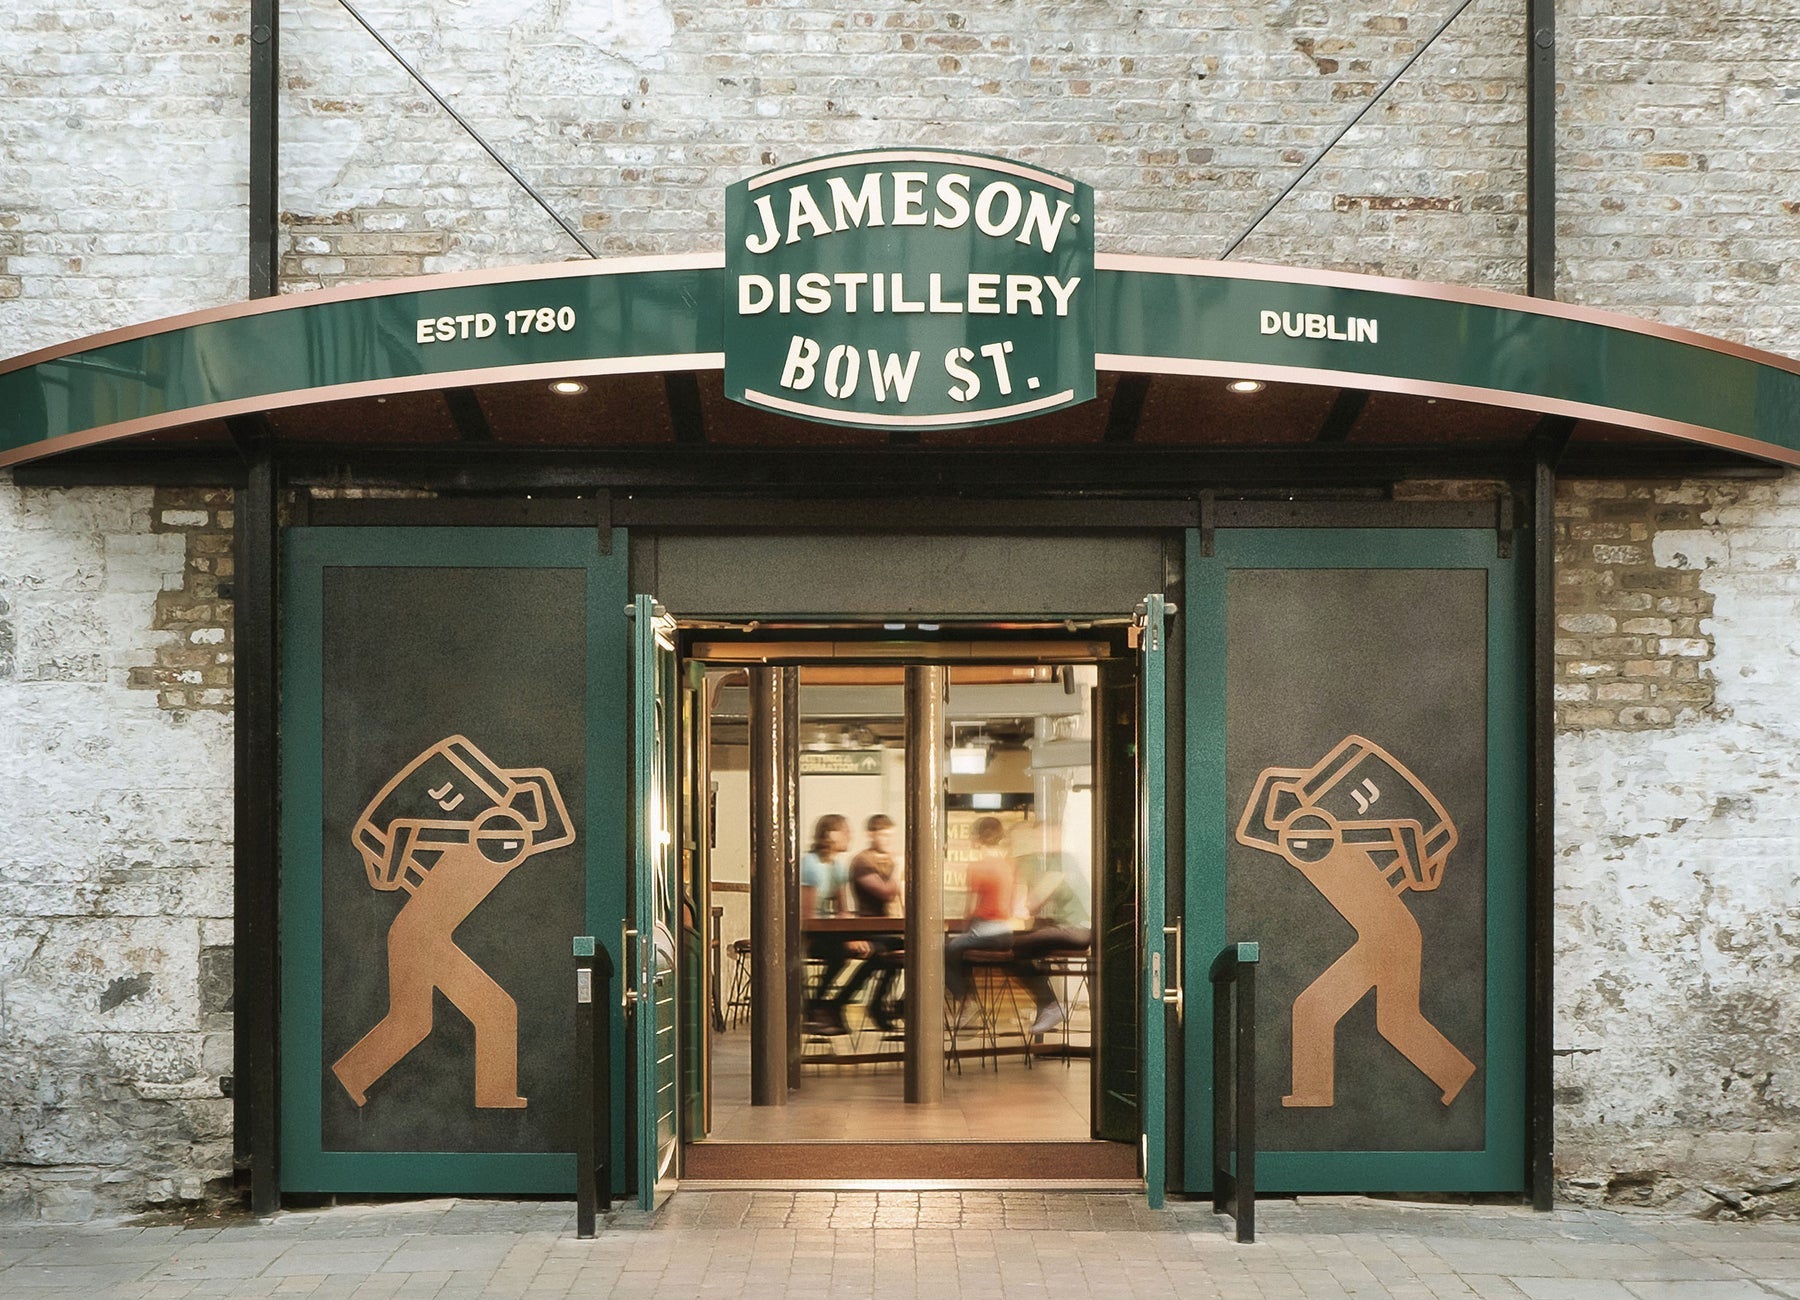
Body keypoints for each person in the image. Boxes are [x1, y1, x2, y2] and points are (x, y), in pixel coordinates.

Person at [1009, 840, 1093, 1038]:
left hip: (1077, 930)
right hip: (1079, 929)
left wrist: (1022, 888)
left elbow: (1030, 905)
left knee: (1016, 949)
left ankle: (1050, 1003)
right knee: (1030, 951)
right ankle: (1047, 1005)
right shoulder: (1063, 864)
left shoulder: (1057, 867)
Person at [945, 815, 1017, 1028]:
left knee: (944, 951)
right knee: (960, 951)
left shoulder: (977, 867)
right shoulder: (1008, 866)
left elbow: (971, 909)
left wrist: (964, 927)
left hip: (984, 932)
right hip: (1006, 933)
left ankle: (966, 1001)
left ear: (977, 838)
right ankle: (970, 1006)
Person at [838, 814, 904, 1031]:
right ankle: (862, 1003)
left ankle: (882, 1004)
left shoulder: (888, 861)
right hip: (867, 926)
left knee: (896, 954)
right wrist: (899, 870)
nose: (888, 841)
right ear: (871, 834)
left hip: (886, 927)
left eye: (891, 836)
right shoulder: (862, 862)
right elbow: (884, 892)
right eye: (884, 835)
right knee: (884, 952)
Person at [799, 813, 856, 1034]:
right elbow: (808, 915)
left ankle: (825, 1006)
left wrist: (851, 930)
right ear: (830, 834)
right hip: (809, 936)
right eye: (845, 831)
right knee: (840, 954)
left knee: (874, 947)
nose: (849, 836)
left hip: (828, 931)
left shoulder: (838, 867)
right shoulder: (810, 865)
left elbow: (843, 910)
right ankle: (817, 1006)